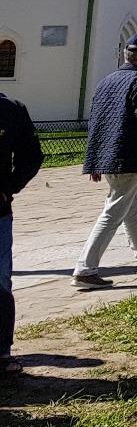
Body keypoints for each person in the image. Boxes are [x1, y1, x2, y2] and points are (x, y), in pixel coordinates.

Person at [72, 34, 137, 290]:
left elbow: (96, 122)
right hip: (128, 157)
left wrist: (94, 159)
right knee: (114, 210)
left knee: (132, 207)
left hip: (109, 156)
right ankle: (85, 268)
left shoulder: (107, 81)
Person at [1, 89, 44, 377]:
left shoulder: (11, 110)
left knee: (0, 282)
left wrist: (9, 188)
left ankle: (1, 352)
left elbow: (32, 155)